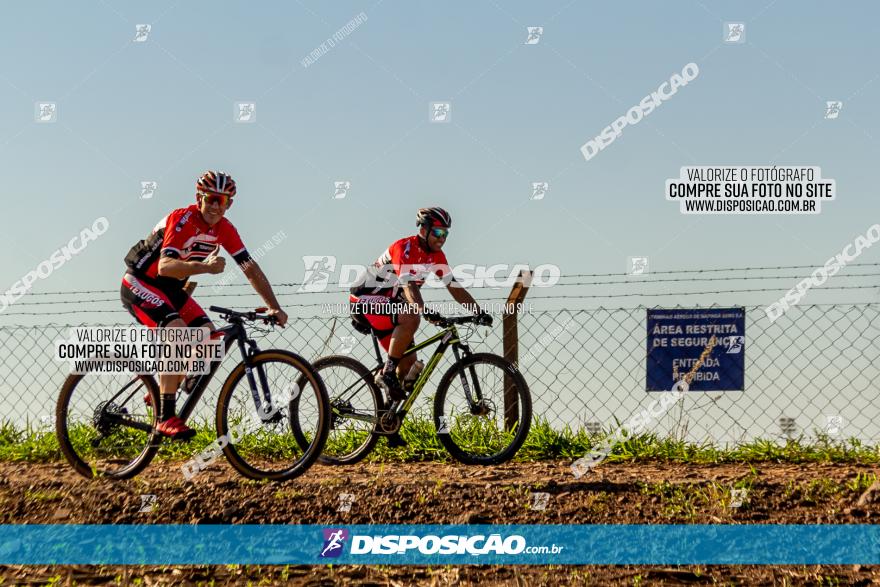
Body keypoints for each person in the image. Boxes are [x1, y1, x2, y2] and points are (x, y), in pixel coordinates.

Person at [120, 171, 288, 440]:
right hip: (140, 283)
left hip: (170, 290)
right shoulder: (182, 218)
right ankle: (165, 416)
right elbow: (165, 267)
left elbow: (250, 268)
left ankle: (165, 388)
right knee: (177, 332)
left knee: (210, 340)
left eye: (221, 201)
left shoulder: (225, 229)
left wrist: (273, 306)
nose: (215, 206)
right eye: (210, 199)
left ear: (229, 204)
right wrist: (206, 268)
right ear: (199, 198)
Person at [349, 207, 492, 403]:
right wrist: (422, 309)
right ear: (423, 230)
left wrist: (478, 312)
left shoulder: (436, 256)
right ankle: (386, 373)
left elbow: (454, 287)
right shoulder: (404, 248)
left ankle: (388, 423)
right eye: (438, 232)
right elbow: (407, 284)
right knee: (411, 315)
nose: (442, 238)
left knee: (408, 370)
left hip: (391, 308)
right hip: (363, 300)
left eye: (446, 233)